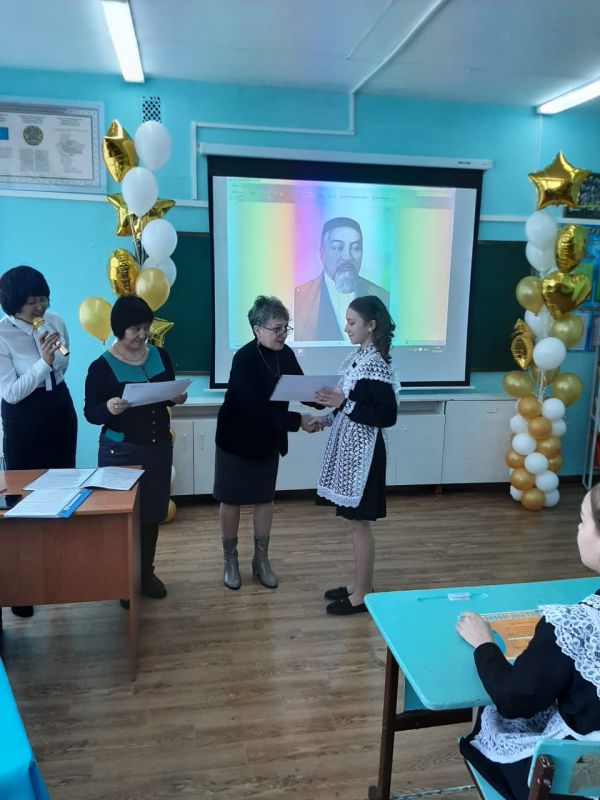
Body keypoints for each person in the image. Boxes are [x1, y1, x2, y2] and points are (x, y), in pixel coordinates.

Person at [456, 485, 600, 800]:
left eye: (583, 520)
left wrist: (485, 645)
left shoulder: (572, 626)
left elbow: (514, 701)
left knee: (490, 715)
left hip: (573, 782)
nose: (578, 528)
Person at [214, 295, 322, 591]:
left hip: (267, 439)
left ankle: (261, 560)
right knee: (232, 499)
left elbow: (299, 387)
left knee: (264, 498)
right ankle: (230, 559)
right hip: (236, 439)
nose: (282, 334)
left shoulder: (285, 354)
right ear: (257, 329)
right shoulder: (245, 358)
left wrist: (323, 398)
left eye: (286, 328)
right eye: (277, 329)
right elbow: (255, 409)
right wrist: (298, 421)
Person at [84, 296, 187, 600]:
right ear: (119, 329)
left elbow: (166, 394)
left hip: (158, 447)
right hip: (122, 451)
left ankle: (145, 573)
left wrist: (176, 398)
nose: (142, 335)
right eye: (135, 329)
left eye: (146, 327)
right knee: (122, 517)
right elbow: (91, 413)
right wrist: (108, 407)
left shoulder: (160, 355)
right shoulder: (101, 367)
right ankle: (122, 579)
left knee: (152, 514)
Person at [0, 265, 77, 625]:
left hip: (58, 407)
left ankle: (57, 575)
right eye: (33, 301)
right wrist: (43, 364)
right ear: (14, 303)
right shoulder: (2, 335)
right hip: (23, 417)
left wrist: (54, 360)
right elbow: (11, 392)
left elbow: (64, 365)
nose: (41, 307)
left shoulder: (55, 321)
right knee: (23, 501)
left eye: (44, 298)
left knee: (62, 491)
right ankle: (23, 588)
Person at [315, 295, 398, 616]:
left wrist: (343, 404)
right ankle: (358, 585)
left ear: (371, 326)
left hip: (366, 456)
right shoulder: (358, 358)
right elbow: (350, 405)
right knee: (354, 522)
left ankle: (363, 594)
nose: (346, 327)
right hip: (352, 451)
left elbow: (386, 415)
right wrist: (326, 418)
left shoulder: (375, 365)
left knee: (360, 523)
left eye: (352, 322)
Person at [294, 217, 390, 341]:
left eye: (355, 248)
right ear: (322, 254)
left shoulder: (380, 295)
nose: (347, 257)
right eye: (338, 247)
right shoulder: (300, 298)